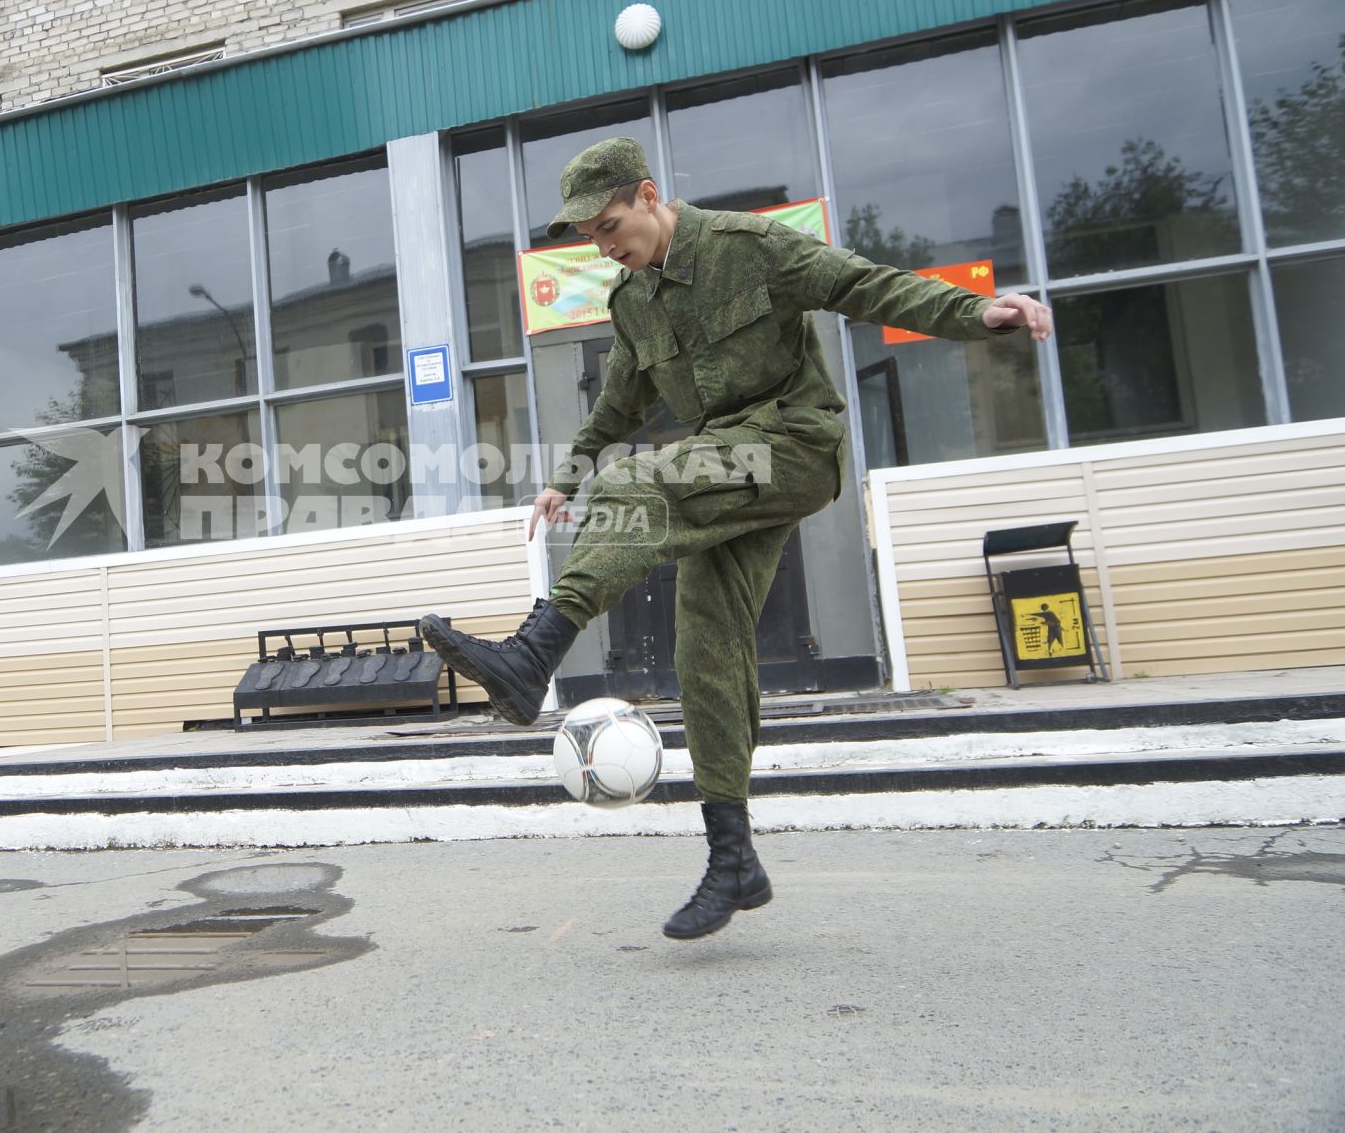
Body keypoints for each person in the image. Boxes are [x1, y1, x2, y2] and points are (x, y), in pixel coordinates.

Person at [419, 137, 1051, 941]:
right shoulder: (633, 302)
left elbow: (862, 284)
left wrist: (975, 312)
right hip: (729, 464)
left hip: (792, 445)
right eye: (591, 237)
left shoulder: (747, 248)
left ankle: (535, 650)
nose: (606, 245)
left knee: (635, 484)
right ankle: (734, 859)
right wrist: (565, 477)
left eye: (612, 224)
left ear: (648, 196)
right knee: (707, 643)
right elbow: (617, 407)